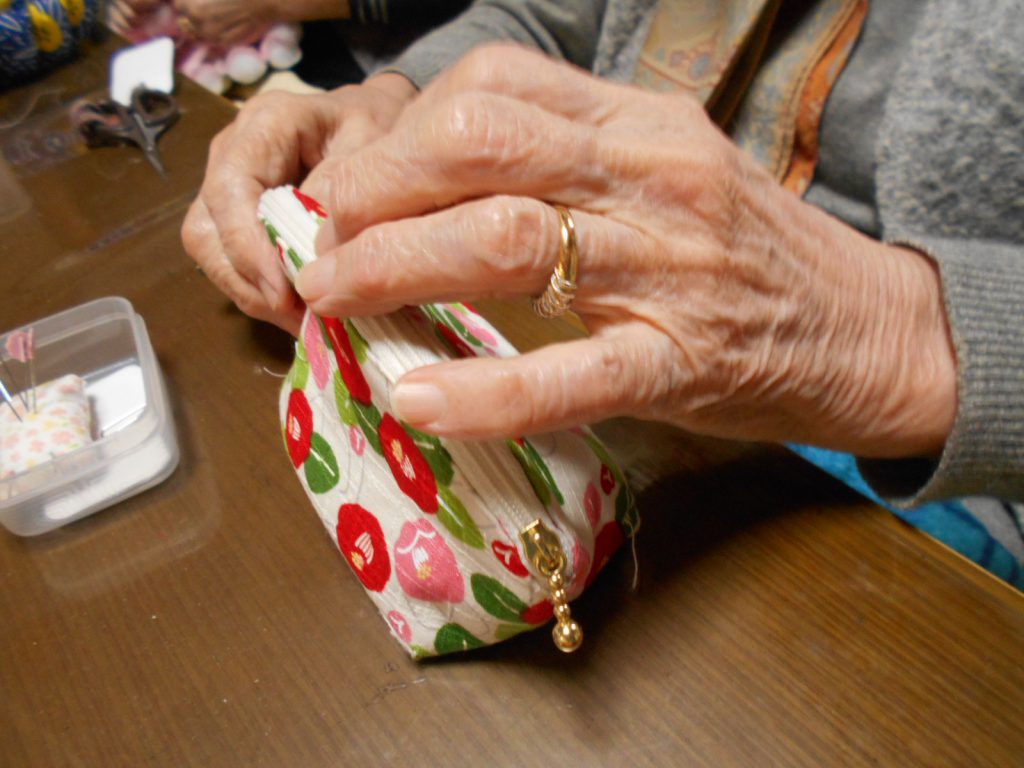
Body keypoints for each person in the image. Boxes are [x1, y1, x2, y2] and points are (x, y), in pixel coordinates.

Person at [183, 1, 1024, 578]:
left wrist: (899, 338)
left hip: (947, 473)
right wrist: (397, 99)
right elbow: (558, 15)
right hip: (581, 313)